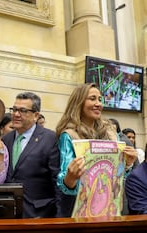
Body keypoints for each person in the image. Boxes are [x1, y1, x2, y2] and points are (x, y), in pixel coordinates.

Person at [55, 83, 138, 217]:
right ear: (79, 102)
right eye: (92, 98)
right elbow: (64, 184)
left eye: (100, 99)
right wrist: (70, 178)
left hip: (110, 209)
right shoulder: (70, 135)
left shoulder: (111, 133)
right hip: (80, 211)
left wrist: (127, 164)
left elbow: (118, 178)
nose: (98, 103)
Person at [2, 92, 61, 218]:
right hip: (9, 214)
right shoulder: (5, 140)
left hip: (39, 215)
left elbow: (57, 181)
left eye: (23, 111)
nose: (16, 114)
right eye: (14, 109)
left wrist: (60, 217)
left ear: (35, 115)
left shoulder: (50, 139)